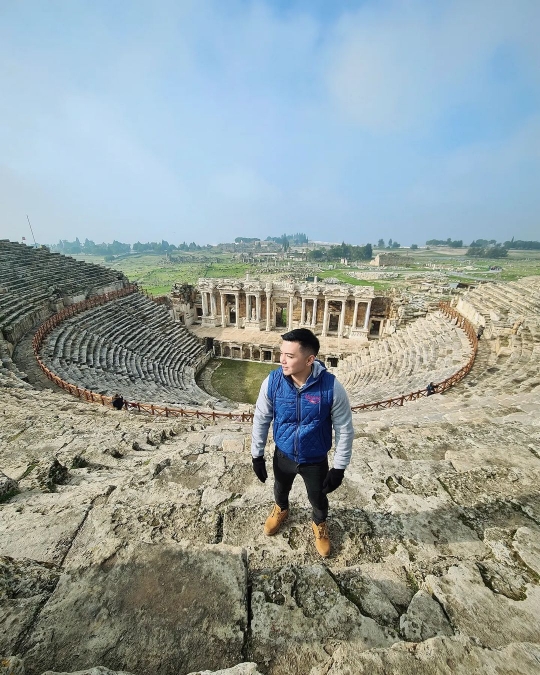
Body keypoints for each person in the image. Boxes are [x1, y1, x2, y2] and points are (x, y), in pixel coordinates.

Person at [251, 328, 354, 558]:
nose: (282, 360)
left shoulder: (331, 387)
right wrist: (256, 454)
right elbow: (261, 418)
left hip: (315, 458)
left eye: (290, 355)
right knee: (280, 487)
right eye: (282, 353)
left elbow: (344, 428)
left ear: (309, 359)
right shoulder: (273, 381)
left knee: (318, 498)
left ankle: (319, 523)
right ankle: (281, 509)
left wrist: (339, 467)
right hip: (283, 453)